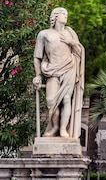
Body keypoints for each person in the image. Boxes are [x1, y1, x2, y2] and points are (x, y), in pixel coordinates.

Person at [33, 7, 84, 139]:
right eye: (63, 14)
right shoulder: (44, 34)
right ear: (55, 16)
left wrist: (71, 42)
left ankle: (62, 129)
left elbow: (80, 52)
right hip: (52, 70)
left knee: (67, 99)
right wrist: (38, 75)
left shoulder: (70, 33)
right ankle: (54, 126)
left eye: (66, 14)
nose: (66, 16)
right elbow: (37, 57)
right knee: (51, 101)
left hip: (69, 68)